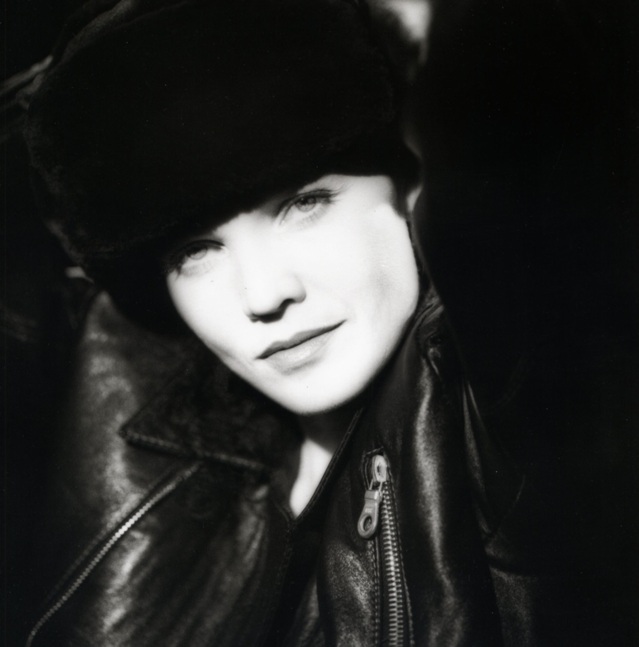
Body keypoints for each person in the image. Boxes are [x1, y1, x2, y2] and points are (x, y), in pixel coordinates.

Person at [9, 0, 638, 645]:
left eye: (305, 204)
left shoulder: (515, 394)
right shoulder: (121, 399)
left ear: (410, 182)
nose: (264, 296)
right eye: (195, 252)